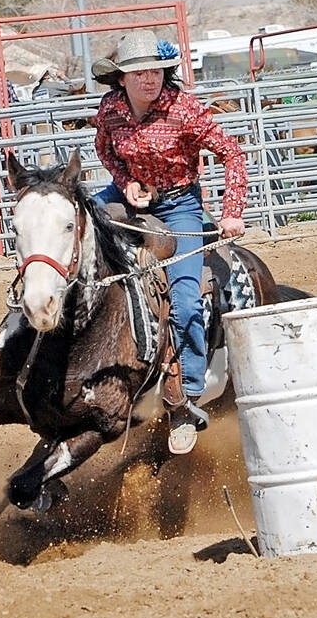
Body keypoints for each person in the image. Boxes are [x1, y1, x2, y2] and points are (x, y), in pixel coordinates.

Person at [90, 29, 249, 455]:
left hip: (179, 205)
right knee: (75, 230)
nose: (149, 79)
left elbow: (232, 153)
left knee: (184, 300)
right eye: (138, 72)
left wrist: (232, 210)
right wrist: (125, 184)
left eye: (156, 71)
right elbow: (105, 151)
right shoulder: (110, 110)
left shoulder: (184, 110)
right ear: (120, 79)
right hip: (129, 198)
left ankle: (187, 399)